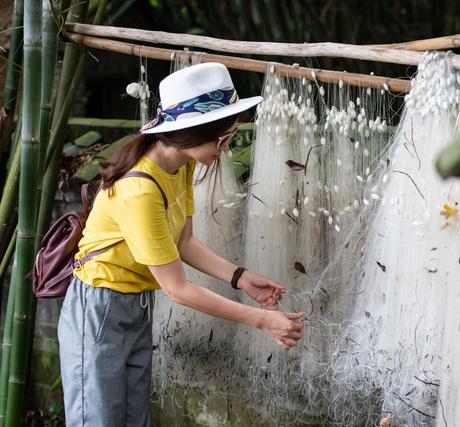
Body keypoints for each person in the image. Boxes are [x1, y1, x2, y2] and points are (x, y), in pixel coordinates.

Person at [57, 62, 304, 426]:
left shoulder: (181, 166)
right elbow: (178, 288)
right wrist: (261, 320)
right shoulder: (139, 189)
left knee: (132, 417)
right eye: (224, 138)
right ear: (192, 132)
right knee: (97, 419)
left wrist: (240, 277)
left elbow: (183, 242)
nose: (226, 147)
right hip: (100, 307)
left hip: (135, 304)